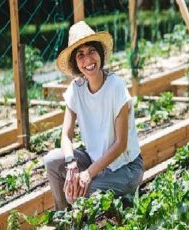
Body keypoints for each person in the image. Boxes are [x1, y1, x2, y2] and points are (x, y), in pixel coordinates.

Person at [44, 21, 144, 210]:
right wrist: (71, 163)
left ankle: (78, 211)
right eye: (80, 55)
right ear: (75, 63)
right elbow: (66, 135)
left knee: (77, 194)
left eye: (91, 51)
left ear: (100, 53)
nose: (88, 59)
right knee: (51, 161)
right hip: (95, 159)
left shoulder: (116, 87)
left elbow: (121, 144)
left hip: (126, 167)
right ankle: (63, 216)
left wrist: (88, 174)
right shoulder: (76, 89)